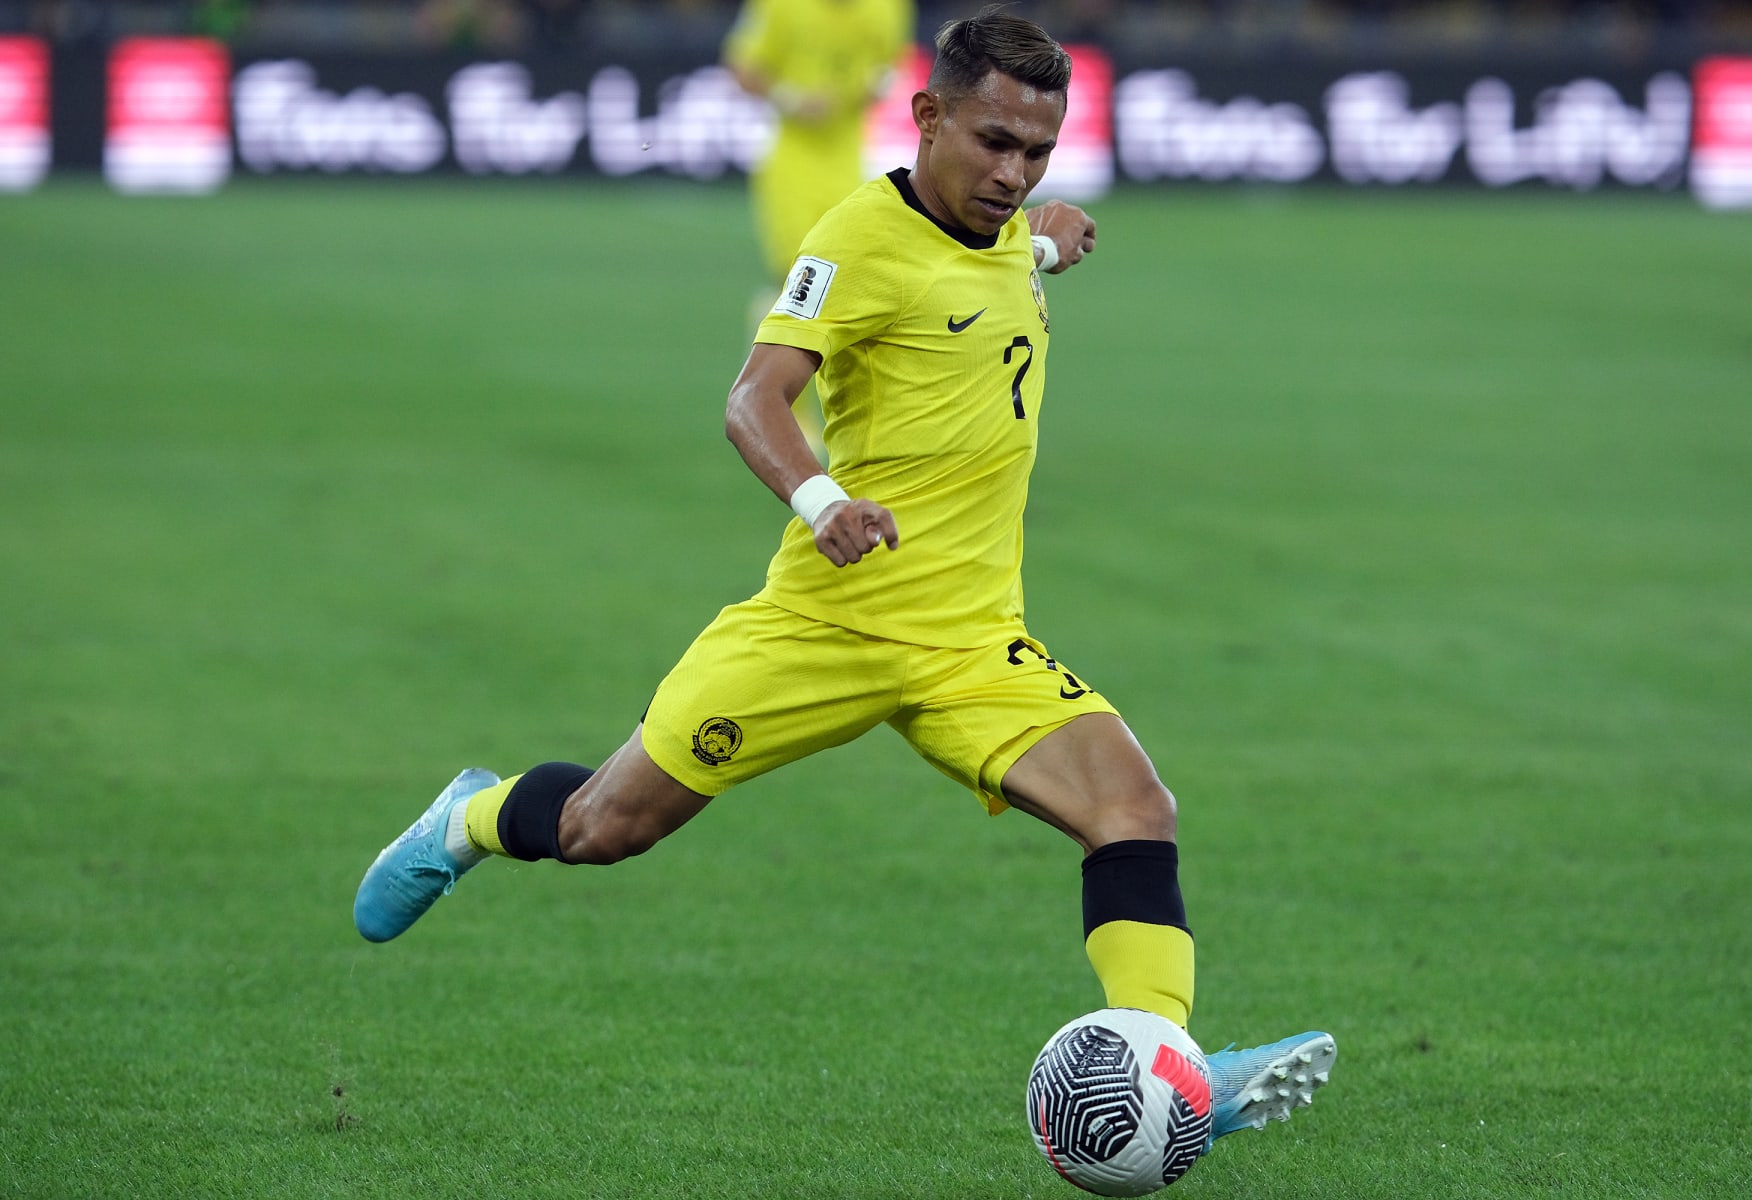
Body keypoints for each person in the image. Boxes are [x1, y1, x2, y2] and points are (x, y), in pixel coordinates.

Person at [355, 5, 1335, 1160]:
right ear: (926, 115)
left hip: (971, 639)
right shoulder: (856, 240)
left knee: (1135, 810)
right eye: (992, 143)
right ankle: (467, 817)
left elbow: (972, 278)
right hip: (827, 622)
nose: (1014, 173)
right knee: (604, 827)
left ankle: (1170, 1073)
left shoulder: (1003, 234)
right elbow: (751, 398)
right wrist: (824, 506)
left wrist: (1042, 245)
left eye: (1037, 153)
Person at [722, 0, 915, 458]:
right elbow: (743, 66)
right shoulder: (780, 6)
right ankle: (789, 411)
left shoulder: (887, 8)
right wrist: (791, 97)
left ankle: (852, 413)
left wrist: (870, 85)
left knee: (851, 285)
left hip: (849, 161)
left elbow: (890, 64)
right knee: (801, 281)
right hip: (793, 163)